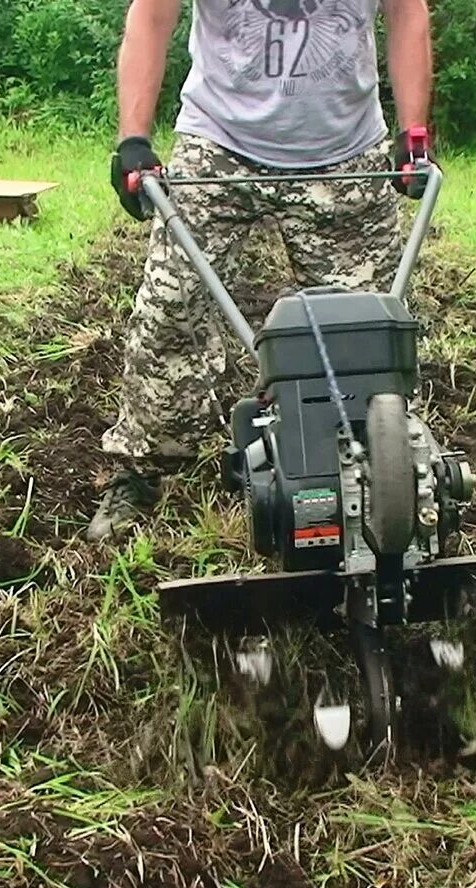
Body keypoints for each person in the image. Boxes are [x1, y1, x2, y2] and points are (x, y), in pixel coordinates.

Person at [87, 0, 436, 541]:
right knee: (170, 309)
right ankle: (143, 467)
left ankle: (374, 466)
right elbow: (153, 14)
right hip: (219, 146)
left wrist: (413, 132)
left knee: (364, 329)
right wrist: (133, 139)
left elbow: (406, 11)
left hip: (344, 151)